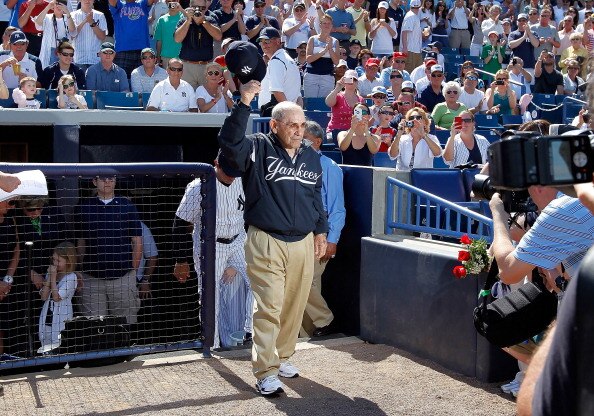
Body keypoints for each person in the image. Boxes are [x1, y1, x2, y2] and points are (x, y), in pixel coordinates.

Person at [218, 81, 328, 396]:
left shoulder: (309, 153)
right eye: (291, 125)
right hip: (266, 238)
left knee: (293, 306)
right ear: (275, 125)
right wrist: (243, 103)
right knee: (269, 305)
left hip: (303, 240)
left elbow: (315, 195)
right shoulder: (257, 145)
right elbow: (229, 142)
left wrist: (321, 229)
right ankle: (265, 371)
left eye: (302, 125)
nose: (298, 130)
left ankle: (282, 358)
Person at [173, 152, 254, 349]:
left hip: (238, 239)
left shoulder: (243, 179)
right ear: (216, 163)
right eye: (228, 171)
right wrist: (181, 260)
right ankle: (213, 345)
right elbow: (180, 224)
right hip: (211, 245)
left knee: (260, 279)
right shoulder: (199, 187)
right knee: (211, 298)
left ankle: (250, 333)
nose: (231, 176)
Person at [73, 174, 142, 325]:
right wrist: (78, 269)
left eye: (111, 178)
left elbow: (137, 241)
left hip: (122, 278)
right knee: (95, 327)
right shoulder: (84, 208)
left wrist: (132, 272)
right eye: (103, 178)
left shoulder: (127, 206)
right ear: (94, 181)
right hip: (91, 280)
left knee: (125, 325)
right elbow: (81, 243)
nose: (107, 182)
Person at [301, 120, 345, 337]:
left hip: (320, 231)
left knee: (304, 280)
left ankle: (326, 320)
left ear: (317, 141)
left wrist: (332, 239)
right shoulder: (293, 163)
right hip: (297, 230)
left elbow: (338, 208)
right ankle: (306, 334)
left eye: (304, 138)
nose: (299, 141)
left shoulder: (329, 167)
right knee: (309, 282)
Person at [38, 242, 78, 352]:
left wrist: (53, 278)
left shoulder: (71, 277)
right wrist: (50, 277)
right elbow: (44, 296)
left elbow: (56, 297)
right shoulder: (52, 274)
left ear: (68, 261)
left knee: (58, 344)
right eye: (54, 260)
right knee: (45, 344)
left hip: (61, 318)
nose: (55, 263)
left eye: (58, 261)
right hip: (47, 316)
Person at [174, 0, 222, 90]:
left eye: (202, 8)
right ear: (190, 6)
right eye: (195, 7)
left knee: (206, 98)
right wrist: (188, 21)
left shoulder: (210, 20)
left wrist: (203, 22)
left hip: (205, 67)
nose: (198, 10)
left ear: (206, 8)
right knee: (187, 99)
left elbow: (218, 36)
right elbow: (177, 39)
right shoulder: (183, 20)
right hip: (187, 67)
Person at [257, 27, 302, 116]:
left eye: (267, 41)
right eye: (261, 42)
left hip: (276, 114)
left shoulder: (276, 61)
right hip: (283, 113)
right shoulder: (289, 60)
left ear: (278, 41)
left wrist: (290, 114)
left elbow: (277, 91)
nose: (264, 44)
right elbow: (298, 96)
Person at [108, 0, 154, 78]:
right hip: (122, 51)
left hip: (142, 52)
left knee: (142, 82)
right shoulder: (119, 4)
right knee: (121, 83)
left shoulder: (142, 4)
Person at [0, 197, 20, 356]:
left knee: (5, 327)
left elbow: (17, 248)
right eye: (10, 202)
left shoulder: (10, 218)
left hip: (6, 283)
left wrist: (7, 279)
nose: (12, 206)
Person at [303, 13, 339, 98]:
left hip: (327, 77)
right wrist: (323, 52)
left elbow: (337, 62)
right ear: (320, 25)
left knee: (324, 104)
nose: (327, 25)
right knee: (310, 103)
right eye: (324, 23)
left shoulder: (335, 41)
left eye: (329, 23)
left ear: (331, 25)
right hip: (311, 76)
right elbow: (308, 59)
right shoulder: (312, 39)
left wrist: (330, 49)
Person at [32, 0, 76, 69]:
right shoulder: (47, 17)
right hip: (50, 50)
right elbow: (37, 24)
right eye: (57, 4)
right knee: (48, 73)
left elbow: (73, 30)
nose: (59, 6)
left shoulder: (69, 17)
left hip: (65, 51)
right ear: (53, 6)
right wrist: (48, 7)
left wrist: (67, 12)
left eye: (62, 4)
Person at [326, 69, 364, 142]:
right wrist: (337, 88)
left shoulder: (360, 100)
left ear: (357, 82)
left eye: (354, 79)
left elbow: (359, 119)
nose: (351, 81)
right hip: (334, 132)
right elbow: (328, 103)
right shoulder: (337, 95)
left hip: (352, 133)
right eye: (348, 79)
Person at [70, 0, 108, 71]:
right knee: (80, 82)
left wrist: (91, 22)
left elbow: (102, 37)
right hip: (79, 59)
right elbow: (72, 35)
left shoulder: (100, 15)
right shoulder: (73, 15)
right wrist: (84, 21)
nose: (87, 1)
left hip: (95, 59)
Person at [153, 0, 183, 70]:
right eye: (169, 1)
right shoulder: (161, 20)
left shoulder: (184, 17)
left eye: (174, 1)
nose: (172, 3)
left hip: (182, 57)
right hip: (165, 57)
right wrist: (158, 57)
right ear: (166, 3)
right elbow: (159, 40)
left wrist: (181, 9)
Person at [400, 0, 422, 72]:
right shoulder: (410, 16)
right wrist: (405, 47)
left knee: (415, 71)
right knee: (409, 71)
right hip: (410, 49)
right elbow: (404, 32)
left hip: (415, 49)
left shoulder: (413, 15)